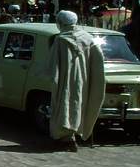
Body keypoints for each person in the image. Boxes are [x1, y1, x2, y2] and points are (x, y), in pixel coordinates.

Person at [34, 10, 106, 152]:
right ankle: (69, 137)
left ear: (60, 23)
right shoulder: (87, 38)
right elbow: (98, 60)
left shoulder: (61, 40)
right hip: (82, 81)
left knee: (63, 105)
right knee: (76, 106)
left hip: (65, 80)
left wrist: (38, 73)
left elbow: (51, 61)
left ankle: (66, 139)